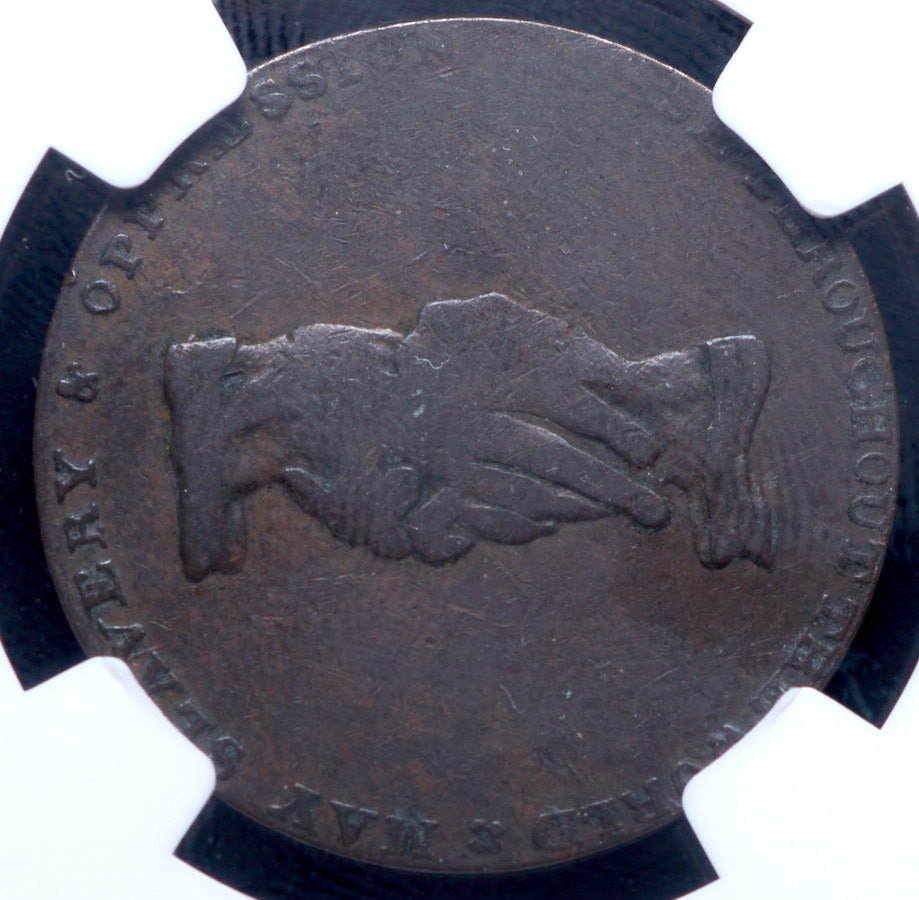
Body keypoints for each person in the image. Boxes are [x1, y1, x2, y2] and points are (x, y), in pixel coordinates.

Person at [165, 293, 773, 581]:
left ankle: (678, 411)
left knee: (501, 424)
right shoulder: (235, 438)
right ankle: (681, 410)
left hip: (339, 405)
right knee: (503, 444)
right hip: (340, 410)